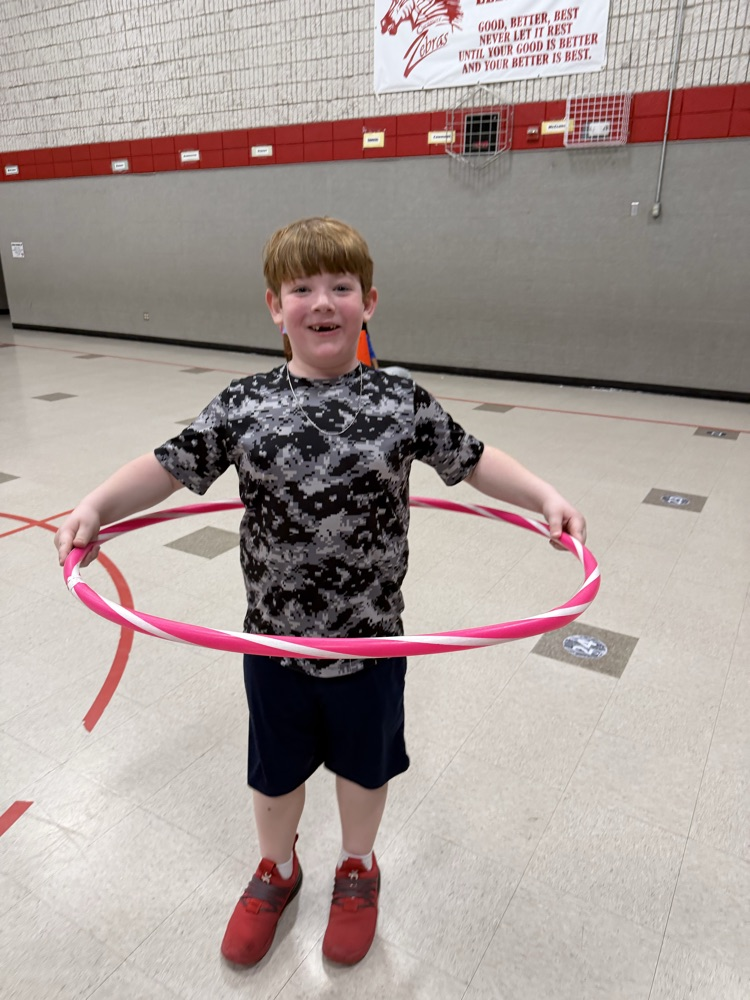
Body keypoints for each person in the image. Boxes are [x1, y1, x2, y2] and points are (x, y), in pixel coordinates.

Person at [55, 216, 586, 968]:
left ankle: (358, 867)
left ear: (369, 302)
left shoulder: (400, 400)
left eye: (341, 286)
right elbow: (168, 466)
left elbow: (471, 459)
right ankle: (277, 869)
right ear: (276, 308)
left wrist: (544, 498)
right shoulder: (244, 404)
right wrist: (97, 507)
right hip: (274, 643)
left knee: (364, 771)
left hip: (372, 645)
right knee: (274, 776)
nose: (323, 302)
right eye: (302, 288)